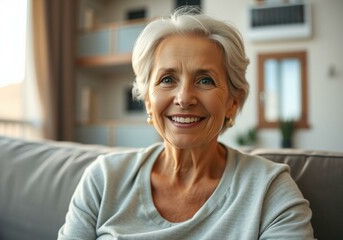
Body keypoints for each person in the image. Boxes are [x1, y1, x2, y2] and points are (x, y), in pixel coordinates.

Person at [58, 7, 314, 239]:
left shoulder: (270, 192)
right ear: (148, 100)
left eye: (205, 80)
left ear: (232, 103)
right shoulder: (104, 179)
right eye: (167, 79)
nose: (184, 98)